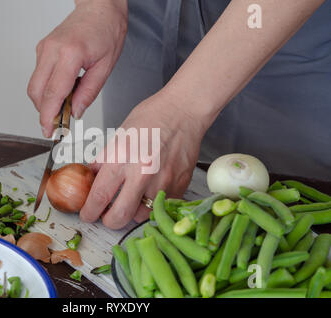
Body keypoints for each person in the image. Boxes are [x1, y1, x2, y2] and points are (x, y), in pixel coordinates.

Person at [27, 0, 330, 230]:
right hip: (144, 18)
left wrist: (183, 108)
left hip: (274, 25)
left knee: (277, 212)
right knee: (132, 188)